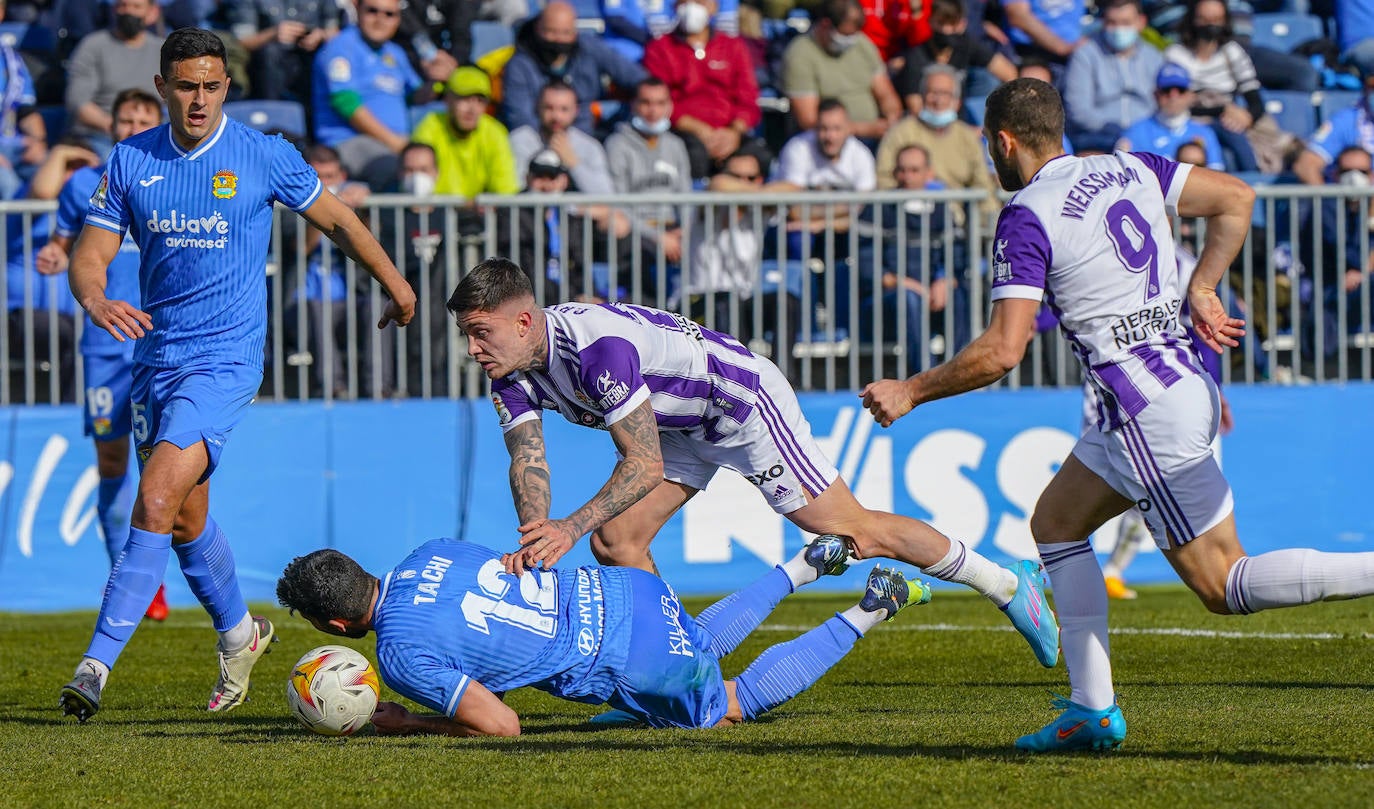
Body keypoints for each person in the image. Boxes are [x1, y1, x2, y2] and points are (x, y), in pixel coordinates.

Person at [860, 78, 1374, 752]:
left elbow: (1001, 350)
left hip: (1141, 410)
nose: (992, 160)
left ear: (1004, 141)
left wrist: (912, 389)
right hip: (1168, 385)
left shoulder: (1026, 213)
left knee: (1223, 583)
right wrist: (1205, 287)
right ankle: (1090, 708)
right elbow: (1236, 198)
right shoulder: (1125, 165)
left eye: (991, 147)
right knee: (1056, 521)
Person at [446, 257, 1062, 673]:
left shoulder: (598, 353)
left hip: (739, 403)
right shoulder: (513, 371)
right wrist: (535, 536)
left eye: (480, 333)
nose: (473, 350)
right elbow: (529, 462)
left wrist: (565, 530)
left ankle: (1007, 583)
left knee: (851, 530)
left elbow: (641, 465)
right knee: (617, 541)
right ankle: (682, 668)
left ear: (524, 321)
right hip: (675, 422)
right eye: (467, 336)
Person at [58, 28, 416, 723]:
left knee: (156, 498)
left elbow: (339, 220)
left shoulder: (263, 156)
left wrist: (396, 285)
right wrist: (96, 297)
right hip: (154, 361)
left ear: (228, 86)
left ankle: (93, 665)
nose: (199, 99)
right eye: (186, 85)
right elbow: (89, 252)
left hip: (224, 360)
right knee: (187, 519)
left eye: (212, 85)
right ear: (162, 86)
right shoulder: (132, 160)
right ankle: (240, 635)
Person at [276, 536, 926, 734]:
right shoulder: (424, 552)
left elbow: (501, 725)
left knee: (730, 702)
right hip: (619, 588)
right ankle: (804, 564)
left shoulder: (396, 651)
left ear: (334, 626)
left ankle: (874, 605)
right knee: (694, 635)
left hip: (621, 655)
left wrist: (402, 721)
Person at [33, 89, 168, 619]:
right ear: (111, 124)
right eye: (125, 117)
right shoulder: (85, 186)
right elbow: (67, 245)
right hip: (105, 343)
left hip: (161, 337)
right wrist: (54, 251)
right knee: (112, 460)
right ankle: (136, 587)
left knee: (163, 463)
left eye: (142, 117)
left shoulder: (173, 178)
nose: (133, 124)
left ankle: (151, 571)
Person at [310, 0, 448, 191]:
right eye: (372, 11)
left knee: (434, 165)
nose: (380, 19)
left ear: (398, 19)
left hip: (391, 144)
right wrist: (397, 144)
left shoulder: (395, 53)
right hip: (348, 142)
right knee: (399, 169)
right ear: (358, 10)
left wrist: (436, 80)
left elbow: (415, 97)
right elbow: (346, 103)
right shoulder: (341, 47)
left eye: (389, 14)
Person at [642, 0, 761, 180]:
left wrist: (734, 133)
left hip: (729, 132)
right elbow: (660, 101)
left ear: (714, 7)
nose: (691, 6)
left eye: (699, 1)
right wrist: (699, 130)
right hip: (684, 133)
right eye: (685, 1)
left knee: (758, 159)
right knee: (693, 155)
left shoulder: (733, 47)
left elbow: (748, 99)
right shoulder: (660, 48)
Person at [501, 1, 648, 136]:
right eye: (551, 31)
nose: (558, 39)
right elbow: (520, 119)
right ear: (538, 28)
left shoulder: (590, 47)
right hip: (537, 140)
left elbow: (639, 79)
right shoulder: (520, 65)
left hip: (587, 139)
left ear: (575, 32)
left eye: (565, 33)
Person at [1162, 0, 1269, 173]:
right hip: (1190, 118)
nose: (1210, 25)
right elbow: (1175, 102)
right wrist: (1222, 111)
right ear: (1192, 20)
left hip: (1229, 119)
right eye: (1204, 19)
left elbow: (1254, 97)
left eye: (1216, 19)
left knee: (1236, 133)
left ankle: (1254, 180)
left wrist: (1246, 117)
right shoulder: (1176, 55)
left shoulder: (1232, 52)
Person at [781, 0, 903, 141]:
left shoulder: (861, 44)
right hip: (827, 141)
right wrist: (864, 129)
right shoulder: (800, 54)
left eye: (852, 36)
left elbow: (886, 94)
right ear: (825, 25)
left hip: (876, 137)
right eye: (844, 36)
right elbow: (808, 120)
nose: (849, 41)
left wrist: (891, 117)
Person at [1061, 0, 1163, 155]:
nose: (1119, 29)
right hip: (1098, 136)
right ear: (1102, 22)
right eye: (1112, 23)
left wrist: (1138, 132)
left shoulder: (1154, 56)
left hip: (1146, 134)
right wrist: (1115, 131)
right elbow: (1078, 109)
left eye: (1126, 22)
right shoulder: (1085, 54)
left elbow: (1160, 103)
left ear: (1141, 22)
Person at [65, 0, 165, 157]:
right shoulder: (93, 45)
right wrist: (120, 127)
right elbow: (78, 102)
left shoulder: (163, 50)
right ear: (113, 10)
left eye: (136, 7)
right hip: (100, 137)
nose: (128, 12)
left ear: (152, 12)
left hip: (154, 135)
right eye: (123, 6)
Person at [411, 65, 520, 200]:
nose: (472, 109)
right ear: (447, 99)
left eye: (480, 101)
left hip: (479, 217)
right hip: (437, 213)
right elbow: (420, 184)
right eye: (464, 98)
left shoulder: (495, 133)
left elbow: (505, 192)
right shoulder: (430, 125)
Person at [893, 0, 1016, 116]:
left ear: (962, 24)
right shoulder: (916, 56)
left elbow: (1008, 72)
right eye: (941, 23)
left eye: (952, 23)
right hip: (926, 125)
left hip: (959, 123)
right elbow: (915, 106)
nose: (946, 30)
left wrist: (999, 113)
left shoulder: (966, 45)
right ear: (930, 21)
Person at [509, 81, 615, 194]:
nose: (556, 116)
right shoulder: (520, 139)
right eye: (549, 108)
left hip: (574, 211)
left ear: (576, 111)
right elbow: (513, 189)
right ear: (537, 107)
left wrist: (574, 163)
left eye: (564, 109)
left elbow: (605, 194)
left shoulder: (590, 146)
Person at [1116, 62, 1225, 170]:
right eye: (1166, 90)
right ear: (1156, 94)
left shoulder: (1205, 133)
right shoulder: (1134, 132)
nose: (1173, 96)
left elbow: (1217, 176)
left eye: (1180, 90)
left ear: (1191, 96)